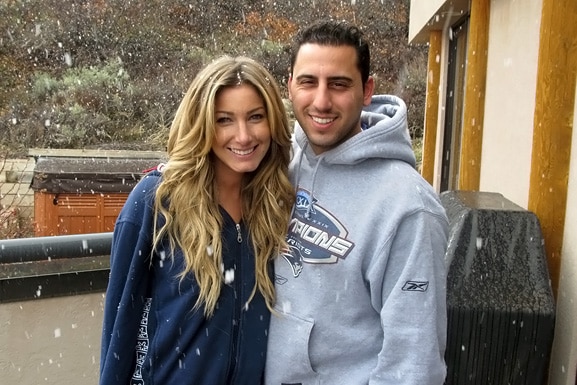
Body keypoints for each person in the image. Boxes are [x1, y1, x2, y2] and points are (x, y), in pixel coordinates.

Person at [264, 20, 449, 385]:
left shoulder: (408, 208)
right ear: (289, 86)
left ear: (366, 90)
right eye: (308, 82)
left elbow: (413, 364)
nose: (321, 100)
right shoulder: (280, 165)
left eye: (338, 83)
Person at [99, 56, 294, 385]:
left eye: (256, 117)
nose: (243, 136)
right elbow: (120, 330)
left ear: (273, 121)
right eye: (224, 120)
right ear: (202, 123)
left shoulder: (276, 203)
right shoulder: (156, 201)